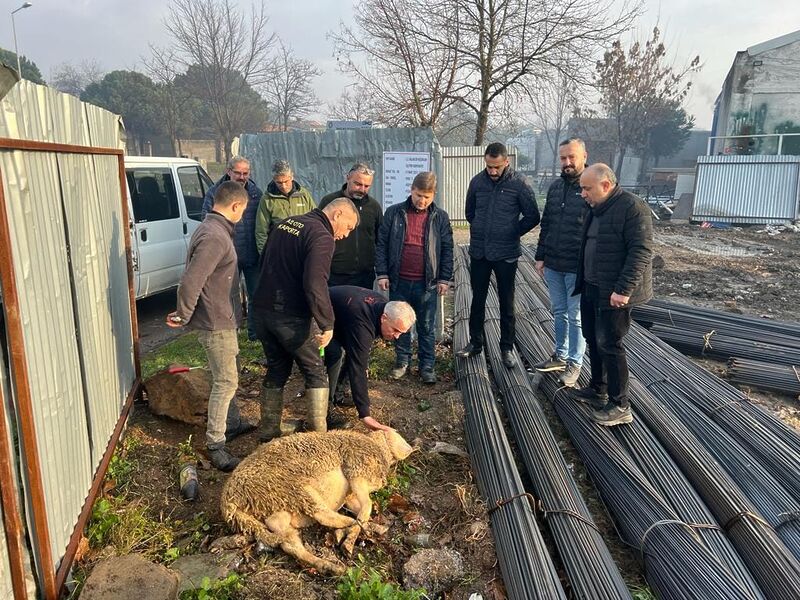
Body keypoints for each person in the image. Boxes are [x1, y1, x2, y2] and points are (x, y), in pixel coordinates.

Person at [251, 197, 360, 442]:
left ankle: (268, 432)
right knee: (315, 372)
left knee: (277, 368)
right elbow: (315, 283)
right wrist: (327, 323)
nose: (346, 235)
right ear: (338, 214)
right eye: (349, 227)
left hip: (262, 311)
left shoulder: (287, 223)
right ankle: (318, 439)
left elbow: (265, 261)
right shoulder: (321, 237)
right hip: (289, 316)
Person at [167, 181, 252, 472]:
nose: (243, 215)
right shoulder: (216, 236)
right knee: (226, 381)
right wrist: (182, 314)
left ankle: (233, 423)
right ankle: (216, 444)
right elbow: (192, 279)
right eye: (244, 210)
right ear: (236, 206)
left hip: (223, 316)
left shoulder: (211, 228)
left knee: (231, 374)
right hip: (216, 322)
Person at [573, 163, 653, 426]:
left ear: (606, 185)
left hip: (615, 292)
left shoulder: (632, 208)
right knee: (592, 339)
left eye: (587, 188)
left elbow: (640, 251)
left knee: (610, 343)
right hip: (592, 286)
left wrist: (623, 289)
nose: (583, 193)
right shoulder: (595, 208)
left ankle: (620, 404)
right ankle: (598, 388)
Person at [455, 142, 540, 368]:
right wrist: (481, 230)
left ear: (506, 162)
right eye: (489, 166)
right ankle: (475, 343)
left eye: (497, 167)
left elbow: (533, 216)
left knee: (506, 301)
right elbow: (469, 212)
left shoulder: (519, 184)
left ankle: (507, 347)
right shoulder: (477, 182)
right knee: (477, 299)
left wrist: (512, 233)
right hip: (480, 252)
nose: (492, 171)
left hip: (506, 254)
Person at [376, 171, 454, 384]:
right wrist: (382, 273)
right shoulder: (394, 213)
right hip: (399, 280)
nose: (422, 200)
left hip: (427, 283)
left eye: (427, 197)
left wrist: (444, 278)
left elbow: (447, 249)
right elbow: (382, 244)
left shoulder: (440, 217)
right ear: (411, 190)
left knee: (426, 325)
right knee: (400, 324)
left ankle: (427, 365)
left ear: (434, 196)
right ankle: (402, 362)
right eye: (418, 195)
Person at [533, 138, 590, 387]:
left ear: (584, 157)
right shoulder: (556, 188)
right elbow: (547, 223)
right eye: (563, 158)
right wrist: (541, 255)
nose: (567, 162)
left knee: (576, 316)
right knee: (559, 311)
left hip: (578, 266)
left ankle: (575, 363)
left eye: (571, 157)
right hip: (554, 263)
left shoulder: (590, 187)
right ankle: (560, 354)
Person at [326, 286, 416, 431]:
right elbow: (358, 367)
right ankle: (325, 411)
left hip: (341, 318)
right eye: (395, 330)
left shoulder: (384, 307)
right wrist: (365, 414)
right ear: (384, 318)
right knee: (335, 355)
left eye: (402, 333)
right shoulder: (362, 324)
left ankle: (338, 395)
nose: (396, 337)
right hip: (312, 317)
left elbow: (357, 354)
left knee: (353, 353)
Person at [201, 156, 263, 341]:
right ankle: (232, 331)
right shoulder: (215, 193)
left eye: (245, 173)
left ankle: (254, 334)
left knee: (256, 295)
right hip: (228, 256)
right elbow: (207, 220)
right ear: (229, 171)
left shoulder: (255, 193)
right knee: (229, 297)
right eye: (238, 172)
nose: (242, 176)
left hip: (252, 255)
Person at [319, 163, 383, 289]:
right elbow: (319, 234)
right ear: (347, 178)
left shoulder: (373, 207)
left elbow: (380, 240)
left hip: (364, 276)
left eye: (367, 186)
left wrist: (381, 271)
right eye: (358, 184)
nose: (362, 189)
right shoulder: (329, 202)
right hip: (335, 275)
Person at [255, 159, 316, 255]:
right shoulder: (267, 199)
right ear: (273, 179)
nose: (283, 186)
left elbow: (315, 221)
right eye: (279, 183)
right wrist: (265, 256)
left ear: (292, 176)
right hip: (279, 250)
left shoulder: (304, 195)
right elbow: (261, 231)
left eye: (286, 181)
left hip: (303, 248)